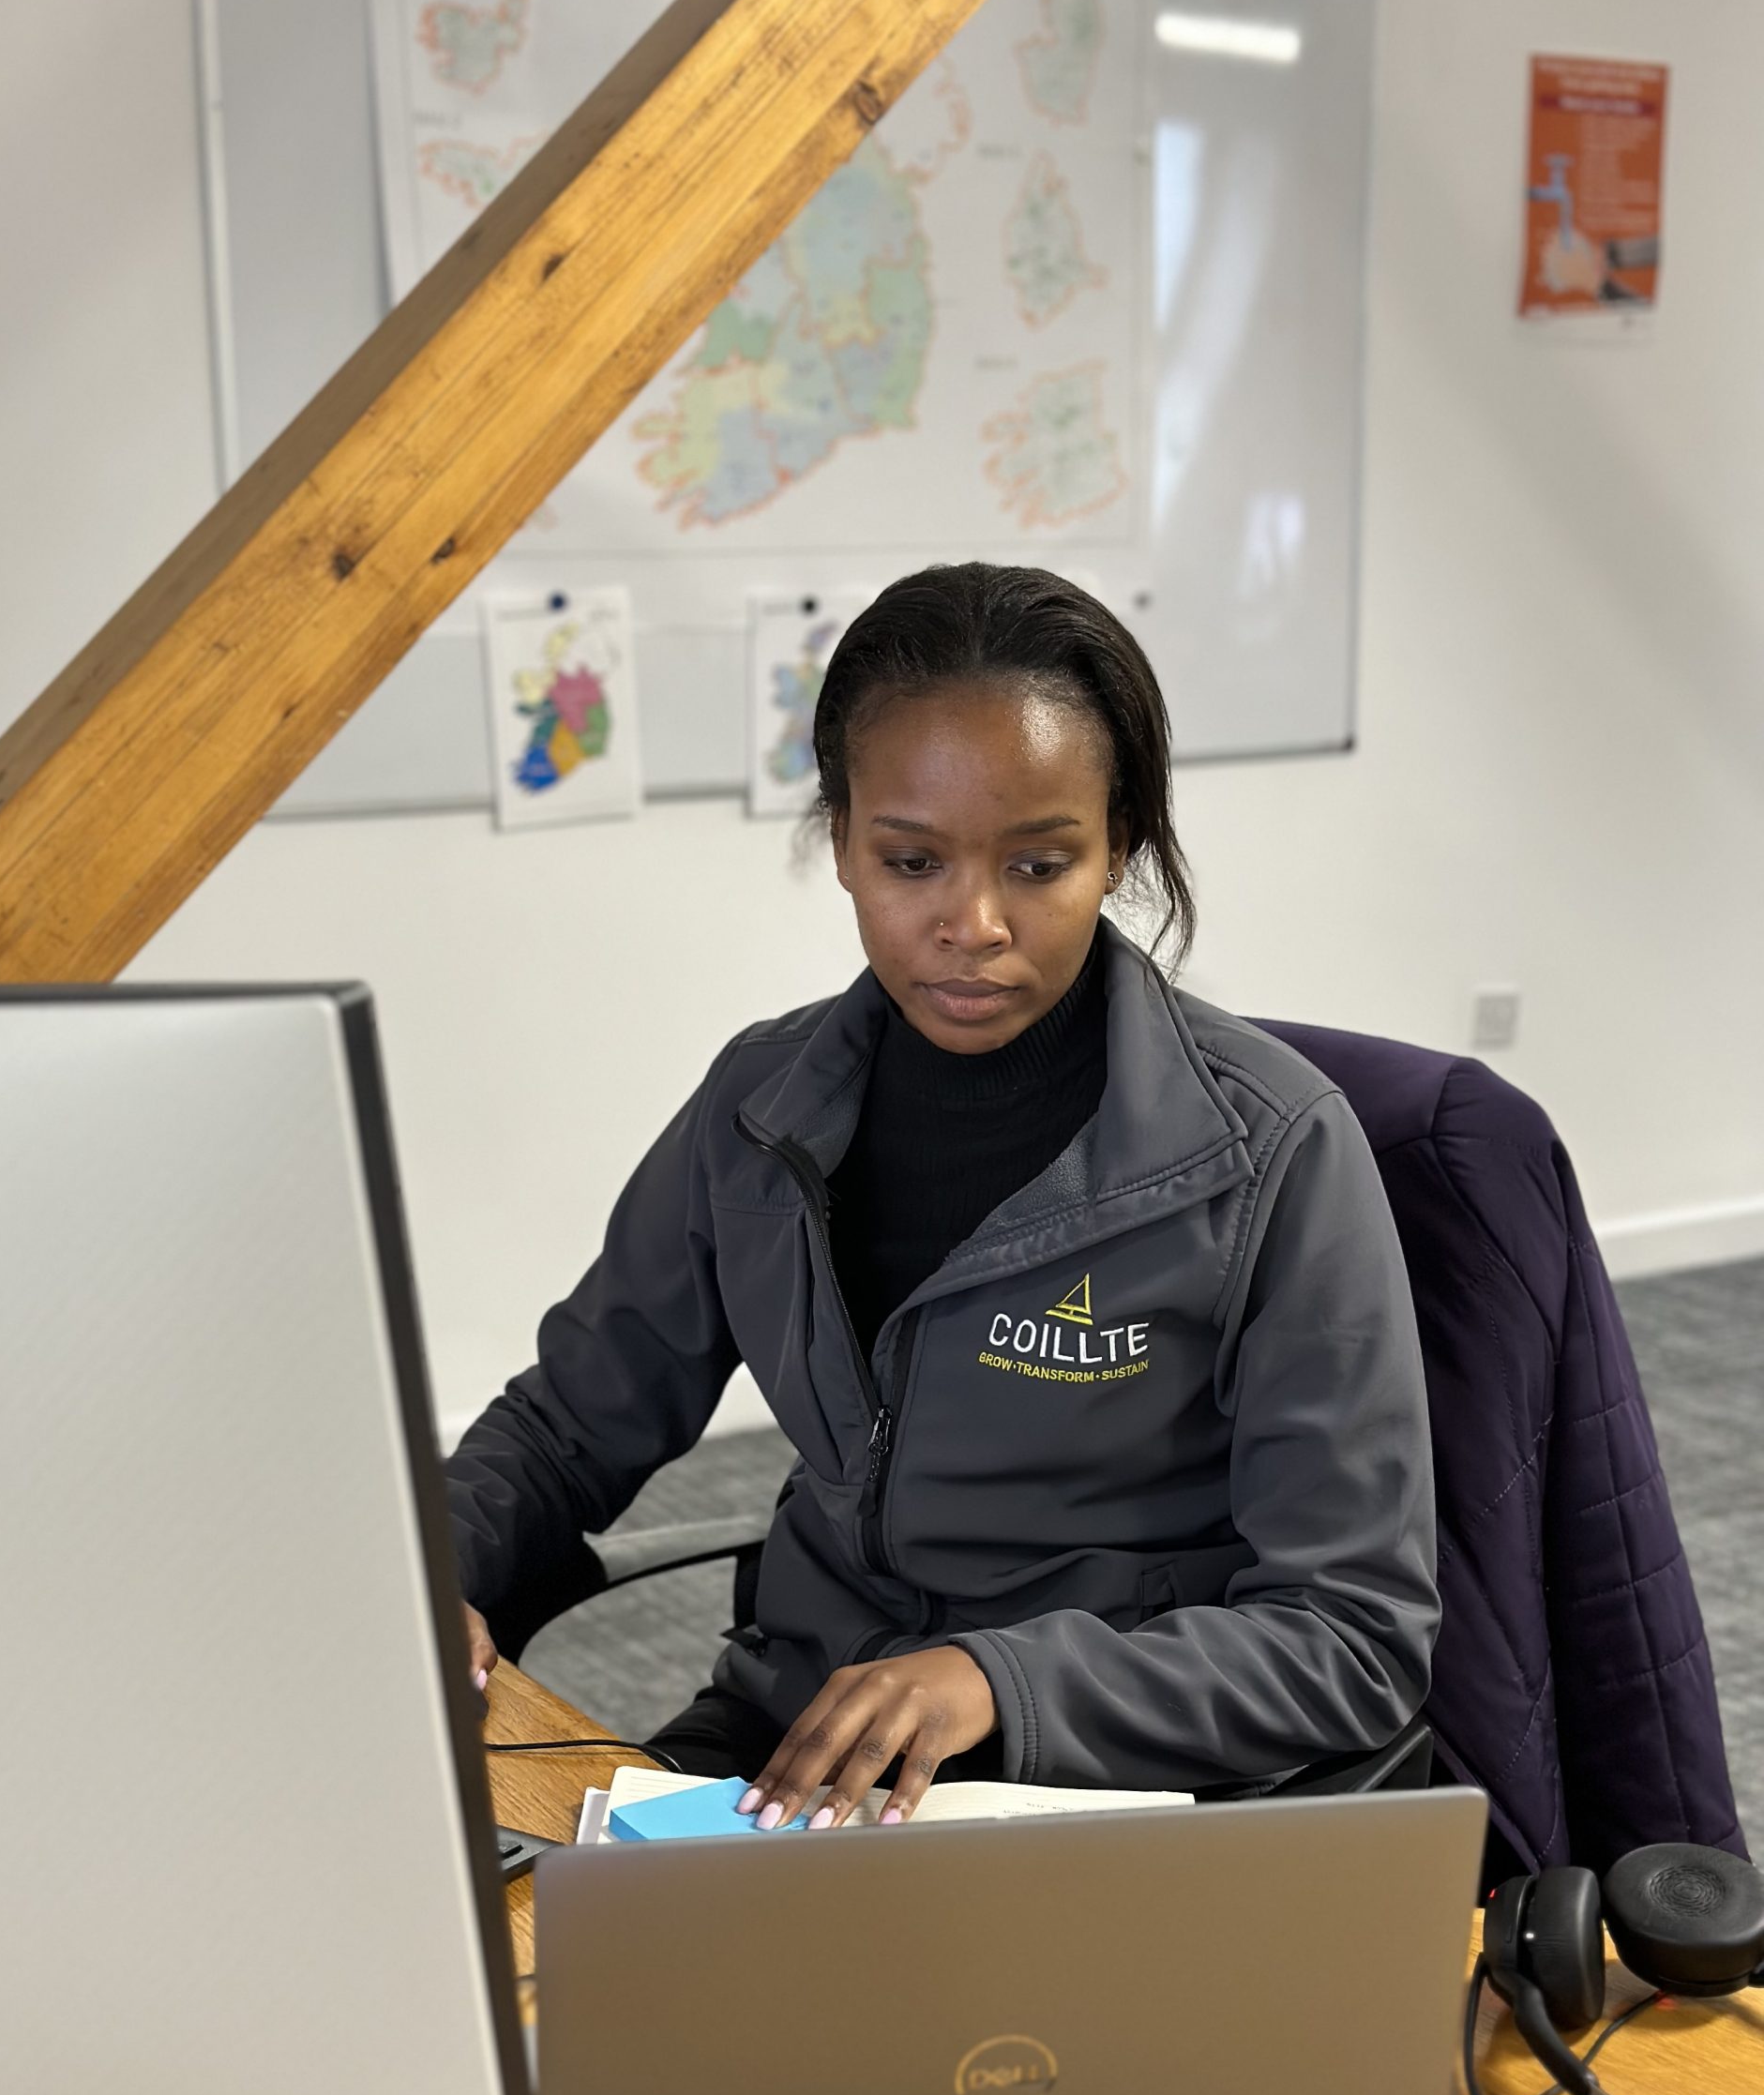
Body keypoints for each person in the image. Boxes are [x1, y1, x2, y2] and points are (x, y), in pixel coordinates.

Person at [448, 563, 1438, 1829]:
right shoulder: (760, 1108)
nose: (970, 923)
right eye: (912, 859)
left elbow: (1354, 1637)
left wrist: (994, 1678)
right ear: (844, 842)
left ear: (1117, 849)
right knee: (519, 1972)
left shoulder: (1275, 1152)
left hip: (1105, 1782)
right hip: (800, 1747)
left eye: (1038, 865)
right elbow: (569, 1427)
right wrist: (442, 1564)